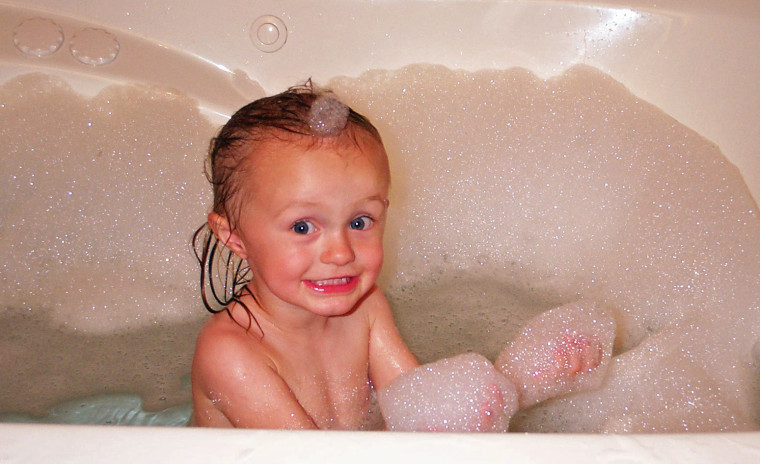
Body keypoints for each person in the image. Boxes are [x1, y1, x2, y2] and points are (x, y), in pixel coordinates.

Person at [191, 83, 419, 429]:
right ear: (234, 237)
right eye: (302, 228)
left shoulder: (366, 306)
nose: (341, 253)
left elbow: (421, 408)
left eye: (360, 221)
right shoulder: (230, 353)